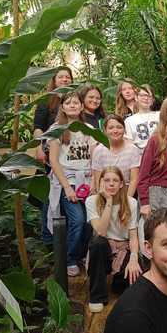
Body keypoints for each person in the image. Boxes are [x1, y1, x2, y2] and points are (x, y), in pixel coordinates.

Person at [47, 92, 95, 277]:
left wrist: (95, 183)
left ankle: (81, 254)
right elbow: (53, 160)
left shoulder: (89, 128)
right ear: (63, 107)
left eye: (76, 102)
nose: (73, 105)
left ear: (82, 106)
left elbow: (94, 157)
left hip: (87, 181)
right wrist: (67, 187)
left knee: (90, 221)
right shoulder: (57, 129)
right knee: (78, 220)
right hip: (68, 181)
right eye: (68, 103)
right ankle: (69, 259)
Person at [86, 167, 142, 313]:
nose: (111, 184)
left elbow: (133, 236)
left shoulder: (131, 203)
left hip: (123, 248)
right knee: (97, 243)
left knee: (130, 280)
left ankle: (118, 280)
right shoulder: (91, 201)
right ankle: (97, 296)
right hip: (104, 247)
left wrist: (134, 258)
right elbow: (101, 232)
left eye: (115, 180)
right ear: (101, 183)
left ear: (121, 184)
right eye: (107, 180)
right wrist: (109, 201)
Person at [32, 65, 73, 243]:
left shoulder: (74, 100)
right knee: (50, 195)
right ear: (54, 81)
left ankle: (65, 238)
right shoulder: (46, 101)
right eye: (61, 77)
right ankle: (48, 239)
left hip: (70, 156)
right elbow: (38, 128)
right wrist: (39, 147)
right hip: (50, 155)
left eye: (68, 77)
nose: (65, 80)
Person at [91, 114, 140, 198]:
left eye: (119, 127)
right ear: (105, 131)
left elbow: (134, 180)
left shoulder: (133, 150)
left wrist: (128, 201)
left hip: (126, 194)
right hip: (105, 195)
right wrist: (106, 199)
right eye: (111, 128)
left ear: (124, 129)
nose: (115, 131)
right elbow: (98, 180)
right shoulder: (99, 150)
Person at [124, 84, 159, 152]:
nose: (146, 98)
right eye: (143, 95)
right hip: (140, 154)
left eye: (149, 96)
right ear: (136, 98)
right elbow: (130, 144)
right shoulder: (129, 121)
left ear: (153, 100)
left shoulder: (160, 115)